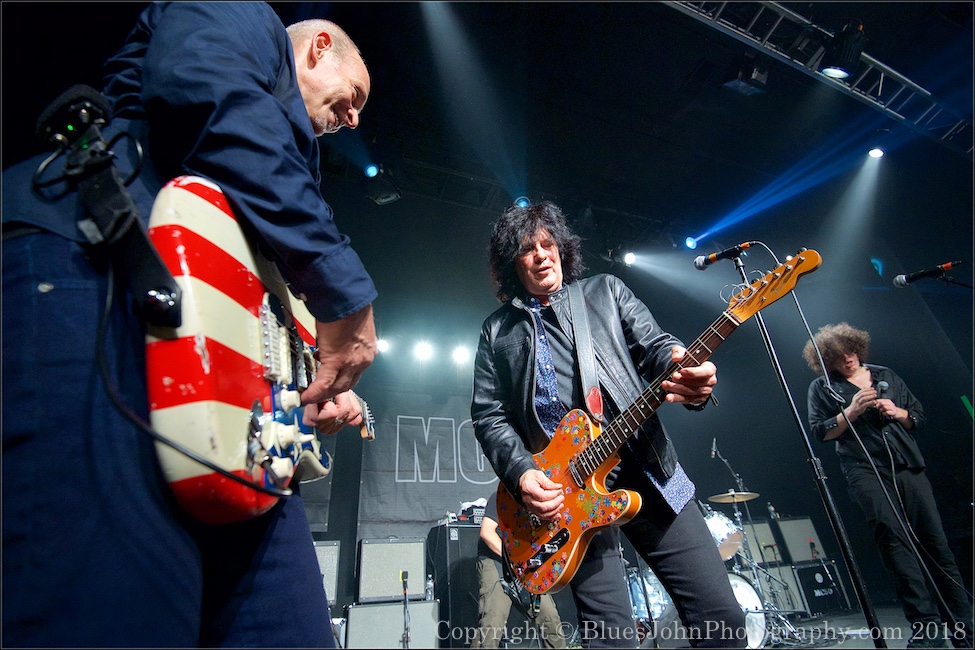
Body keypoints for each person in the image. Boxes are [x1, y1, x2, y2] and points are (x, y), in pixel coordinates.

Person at [2, 4, 377, 647]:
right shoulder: (242, 16)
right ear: (318, 48)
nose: (354, 119)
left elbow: (238, 304)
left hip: (229, 422)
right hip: (96, 280)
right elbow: (204, 85)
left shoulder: (273, 182)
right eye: (354, 95)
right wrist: (344, 289)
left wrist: (291, 399)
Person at [471, 201, 747, 648]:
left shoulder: (605, 291)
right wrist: (523, 473)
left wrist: (681, 365)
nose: (541, 254)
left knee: (722, 619)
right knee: (610, 641)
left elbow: (656, 346)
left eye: (548, 244)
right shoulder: (497, 331)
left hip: (648, 466)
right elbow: (488, 415)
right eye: (527, 248)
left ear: (562, 249)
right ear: (511, 261)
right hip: (567, 497)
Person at [803, 323, 973, 649]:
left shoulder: (886, 375)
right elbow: (821, 432)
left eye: (851, 353)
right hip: (865, 471)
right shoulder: (823, 387)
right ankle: (926, 629)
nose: (848, 360)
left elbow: (919, 417)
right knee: (896, 546)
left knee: (936, 544)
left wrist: (898, 412)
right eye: (838, 357)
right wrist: (851, 411)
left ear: (858, 349)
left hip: (908, 466)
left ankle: (963, 627)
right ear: (827, 360)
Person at [471, 492, 567, 649]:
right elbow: (487, 532)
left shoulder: (543, 503)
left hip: (525, 565)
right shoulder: (502, 496)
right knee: (493, 621)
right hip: (496, 560)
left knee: (550, 618)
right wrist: (514, 561)